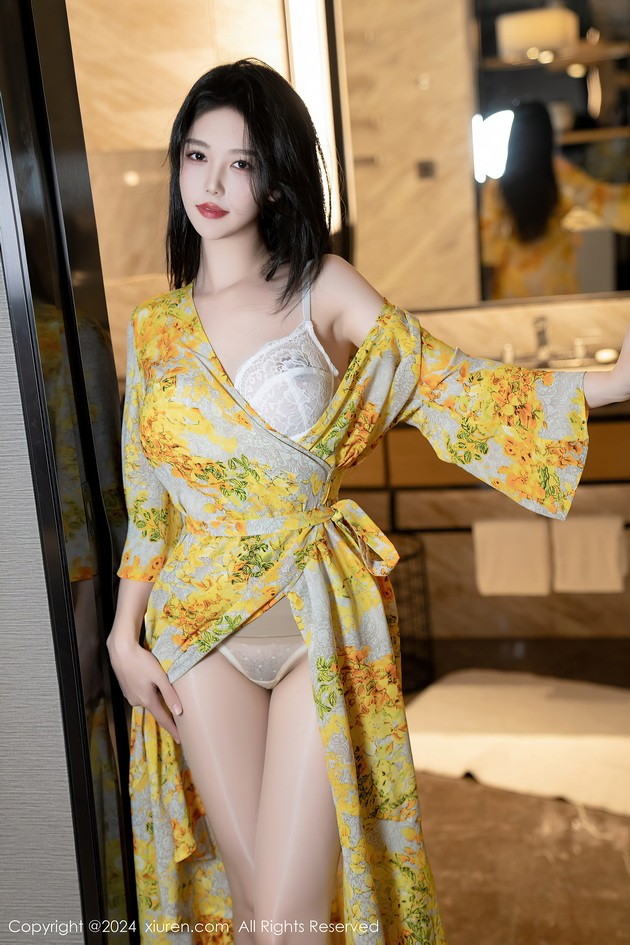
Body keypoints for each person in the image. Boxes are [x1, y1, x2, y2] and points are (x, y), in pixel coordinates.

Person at [106, 60, 630, 945]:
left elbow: (446, 383)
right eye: (197, 156)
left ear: (276, 179)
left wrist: (611, 381)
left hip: (316, 618)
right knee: (252, 911)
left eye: (240, 162)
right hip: (195, 632)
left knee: (291, 925)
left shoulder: (324, 285)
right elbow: (149, 503)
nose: (213, 183)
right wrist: (125, 636)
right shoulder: (154, 331)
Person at [480, 101, 630, 300]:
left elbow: (489, 248)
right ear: (547, 133)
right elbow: (606, 201)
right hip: (555, 277)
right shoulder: (559, 174)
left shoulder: (496, 186)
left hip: (513, 281)